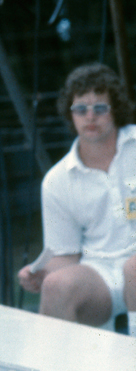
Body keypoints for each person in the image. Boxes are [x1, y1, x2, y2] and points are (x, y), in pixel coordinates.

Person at [18, 63, 136, 336]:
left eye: (100, 108)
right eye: (81, 109)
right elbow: (65, 255)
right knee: (57, 285)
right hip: (101, 272)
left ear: (115, 109)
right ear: (71, 115)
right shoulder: (57, 180)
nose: (90, 117)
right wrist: (42, 272)